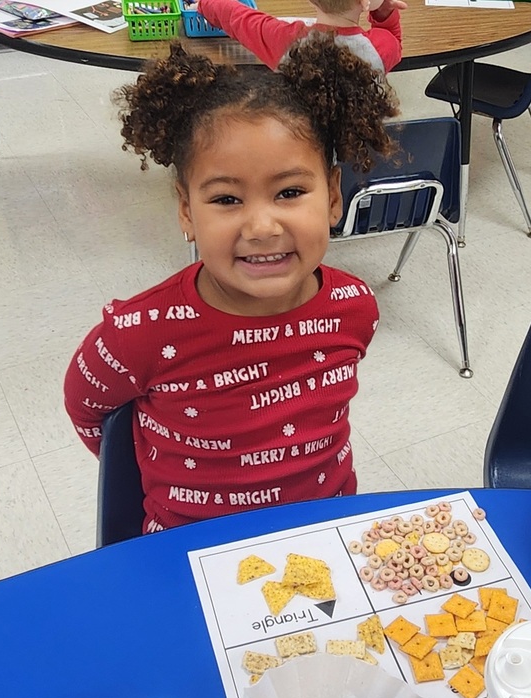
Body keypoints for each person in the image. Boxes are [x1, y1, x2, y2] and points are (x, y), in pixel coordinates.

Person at [64, 36, 398, 534]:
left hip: (325, 530)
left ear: (332, 196)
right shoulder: (139, 331)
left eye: (289, 192)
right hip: (187, 549)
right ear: (186, 211)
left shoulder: (355, 306)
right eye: (225, 200)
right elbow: (88, 408)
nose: (262, 227)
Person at [194, 0, 405, 74]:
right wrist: (383, 14)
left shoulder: (286, 40)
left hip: (298, 147)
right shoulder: (379, 48)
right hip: (357, 150)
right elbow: (393, 39)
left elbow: (236, 17)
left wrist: (204, 3)